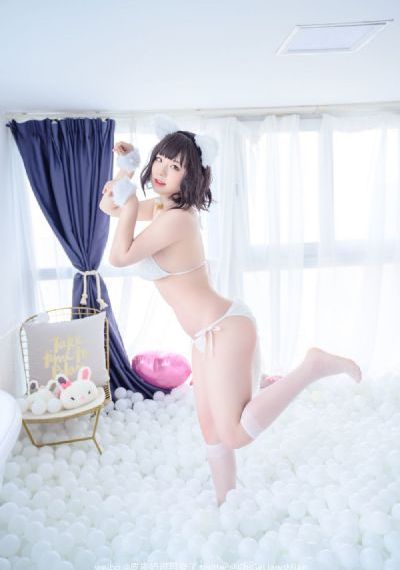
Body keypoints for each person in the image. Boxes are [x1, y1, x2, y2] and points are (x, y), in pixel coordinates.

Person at [99, 117, 362, 507]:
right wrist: (125, 169)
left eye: (175, 166)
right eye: (160, 160)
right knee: (211, 430)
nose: (162, 170)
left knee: (234, 433)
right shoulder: (164, 208)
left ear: (189, 177)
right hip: (204, 337)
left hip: (225, 329)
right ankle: (228, 503)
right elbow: (109, 206)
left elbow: (120, 255)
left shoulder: (177, 220)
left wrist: (132, 201)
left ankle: (312, 367)